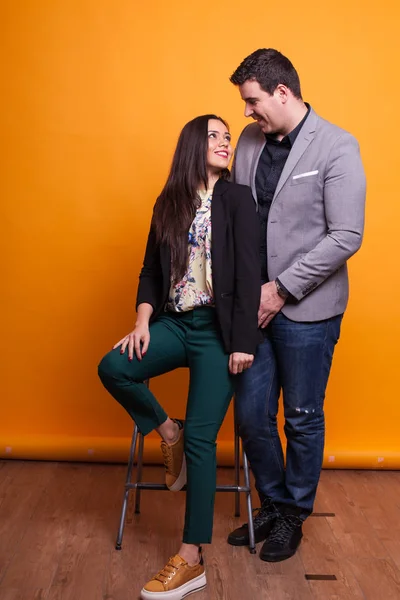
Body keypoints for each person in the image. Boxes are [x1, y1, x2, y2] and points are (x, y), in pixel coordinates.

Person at [98, 114, 260, 599]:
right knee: (114, 367)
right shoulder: (168, 202)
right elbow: (150, 269)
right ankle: (168, 432)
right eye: (215, 136)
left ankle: (192, 559)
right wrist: (143, 321)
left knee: (203, 441)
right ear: (193, 143)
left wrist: (243, 342)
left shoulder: (237, 199)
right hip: (172, 322)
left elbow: (249, 273)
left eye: (229, 137)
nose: (225, 143)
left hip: (217, 332)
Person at [227, 48, 366, 562]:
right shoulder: (246, 141)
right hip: (250, 306)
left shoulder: (337, 146)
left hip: (308, 309)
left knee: (302, 417)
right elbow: (232, 214)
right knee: (252, 416)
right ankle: (273, 504)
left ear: (282, 93)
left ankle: (294, 516)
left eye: (252, 100)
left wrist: (280, 287)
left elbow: (346, 235)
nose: (246, 112)